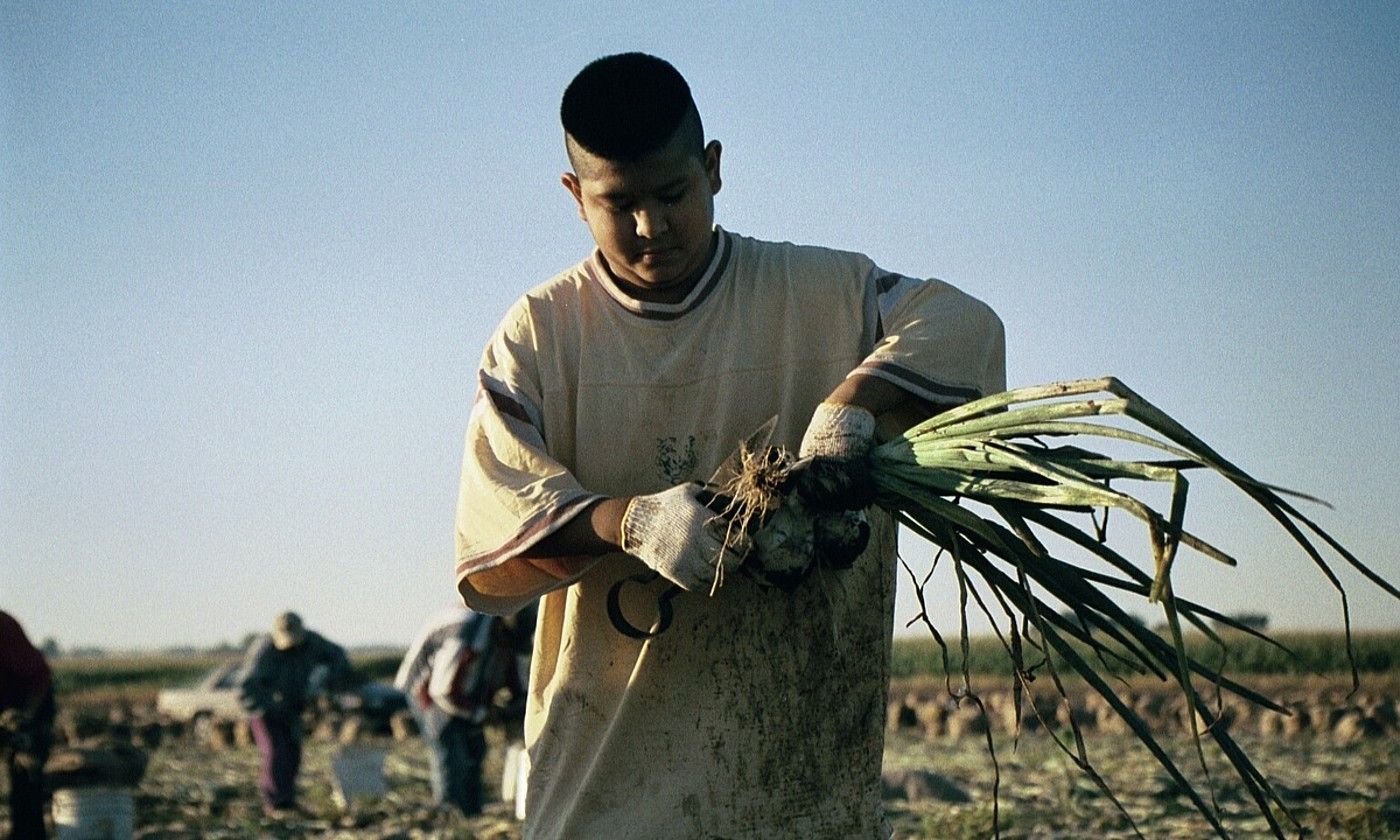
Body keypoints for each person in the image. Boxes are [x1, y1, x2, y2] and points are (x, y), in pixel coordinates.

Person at [453, 52, 1005, 838]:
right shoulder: (540, 336)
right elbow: (492, 538)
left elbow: (965, 327)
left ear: (713, 170)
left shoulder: (826, 294)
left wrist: (854, 402)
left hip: (804, 791)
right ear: (576, 198)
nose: (652, 226)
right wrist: (631, 524)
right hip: (606, 795)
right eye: (620, 202)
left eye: (673, 193)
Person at [393, 602, 534, 816]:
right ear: (501, 629)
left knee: (475, 748)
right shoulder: (467, 632)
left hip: (462, 692)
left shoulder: (504, 637)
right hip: (426, 689)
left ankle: (472, 812)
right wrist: (481, 713)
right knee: (451, 749)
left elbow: (512, 676)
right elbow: (443, 691)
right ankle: (451, 813)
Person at [235, 611, 351, 816]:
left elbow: (338, 655)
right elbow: (245, 689)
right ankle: (274, 804)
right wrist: (271, 703)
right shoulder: (264, 650)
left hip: (293, 707)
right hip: (265, 710)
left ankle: (287, 800)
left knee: (293, 752)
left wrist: (329, 676)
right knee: (275, 750)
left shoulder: (313, 642)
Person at [0, 611, 56, 840]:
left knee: (25, 776)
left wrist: (25, 718)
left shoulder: (3, 627)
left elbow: (39, 676)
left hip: (28, 703)